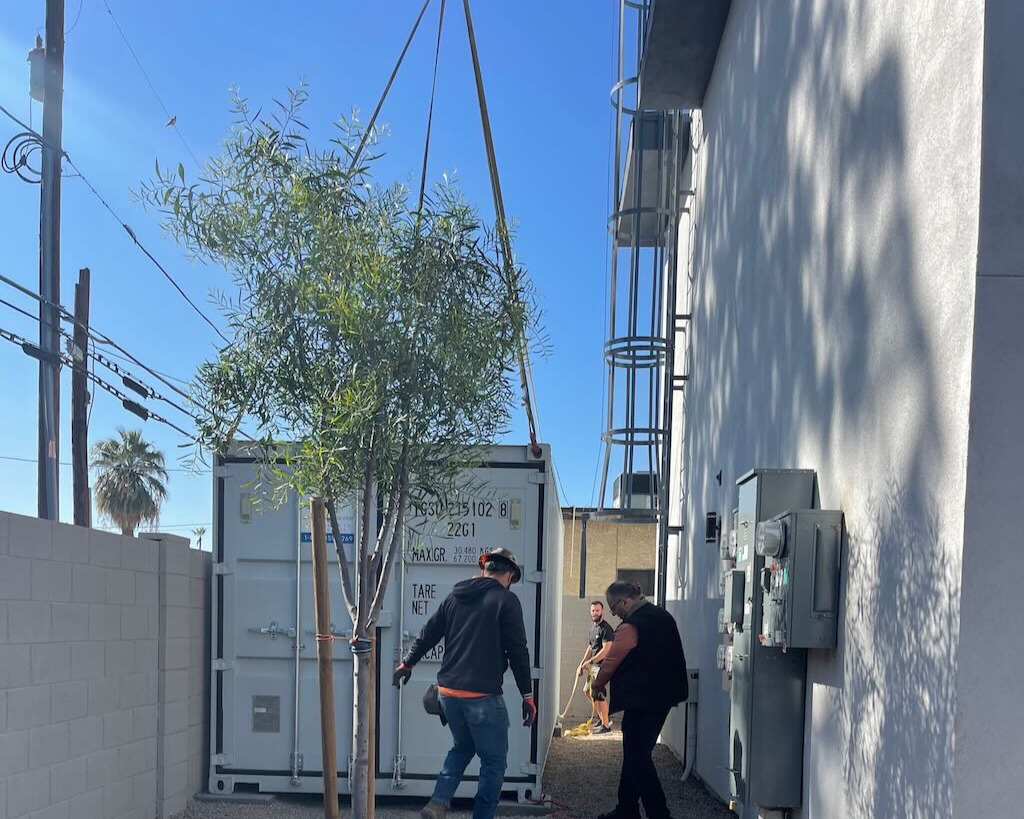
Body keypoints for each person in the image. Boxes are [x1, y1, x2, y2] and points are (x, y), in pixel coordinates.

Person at [393, 547, 537, 819]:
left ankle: (438, 802)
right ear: (508, 574)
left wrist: (407, 663)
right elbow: (518, 650)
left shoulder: (454, 597)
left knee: (463, 746)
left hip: (448, 694)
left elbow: (429, 633)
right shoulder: (506, 601)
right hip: (481, 697)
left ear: (485, 569)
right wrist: (527, 695)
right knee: (494, 763)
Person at [591, 581, 688, 819]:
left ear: (625, 601)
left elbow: (612, 660)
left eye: (614, 609)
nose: (615, 615)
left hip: (641, 700)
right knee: (635, 753)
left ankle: (658, 813)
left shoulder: (632, 626)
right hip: (663, 697)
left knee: (637, 757)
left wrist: (597, 684)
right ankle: (626, 808)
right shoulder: (664, 617)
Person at [576, 600, 614, 733]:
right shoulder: (593, 629)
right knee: (587, 691)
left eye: (597, 610)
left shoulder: (606, 629)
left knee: (598, 694)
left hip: (602, 667)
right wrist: (581, 664)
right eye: (593, 610)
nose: (595, 613)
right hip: (593, 667)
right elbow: (590, 647)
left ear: (602, 611)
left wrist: (590, 662)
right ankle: (602, 718)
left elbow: (606, 650)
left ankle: (606, 726)